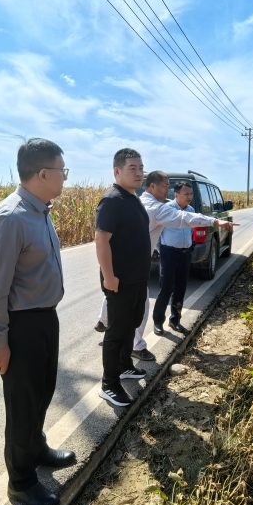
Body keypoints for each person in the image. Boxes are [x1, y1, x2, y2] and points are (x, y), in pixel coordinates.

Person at [0, 139, 75, 505]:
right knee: (22, 405)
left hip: (45, 318)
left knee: (43, 392)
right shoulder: (10, 217)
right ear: (43, 174)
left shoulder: (41, 211)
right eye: (62, 171)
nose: (65, 177)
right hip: (20, 325)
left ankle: (36, 449)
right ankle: (20, 482)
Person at [94, 171, 237, 346]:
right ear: (152, 186)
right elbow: (183, 218)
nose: (168, 191)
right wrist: (216, 222)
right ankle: (136, 345)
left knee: (116, 294)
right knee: (141, 306)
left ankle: (104, 321)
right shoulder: (158, 208)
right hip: (136, 263)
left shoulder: (138, 201)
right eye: (165, 187)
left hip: (120, 259)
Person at [95, 149, 151, 407]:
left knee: (132, 324)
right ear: (117, 171)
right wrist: (109, 277)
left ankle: (125, 365)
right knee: (116, 332)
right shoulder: (112, 200)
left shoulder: (133, 198)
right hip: (120, 281)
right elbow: (101, 240)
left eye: (141, 168)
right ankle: (109, 384)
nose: (139, 173)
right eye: (132, 168)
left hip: (137, 279)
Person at [152, 181, 199, 334]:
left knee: (180, 289)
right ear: (176, 194)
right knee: (166, 289)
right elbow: (157, 232)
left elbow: (190, 230)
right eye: (186, 194)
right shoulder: (167, 209)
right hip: (169, 254)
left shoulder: (191, 210)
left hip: (185, 254)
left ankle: (175, 320)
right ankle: (158, 322)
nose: (189, 197)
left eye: (191, 194)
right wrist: (161, 250)